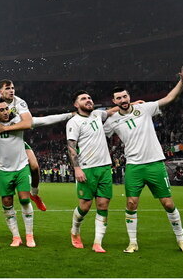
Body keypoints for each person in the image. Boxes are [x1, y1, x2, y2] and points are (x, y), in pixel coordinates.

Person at [105, 66, 183, 253]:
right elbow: (97, 126)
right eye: (118, 98)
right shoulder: (111, 121)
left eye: (125, 96)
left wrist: (182, 81)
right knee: (131, 203)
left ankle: (181, 240)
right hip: (134, 167)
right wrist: (111, 111)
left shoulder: (144, 109)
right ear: (114, 101)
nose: (123, 100)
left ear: (129, 96)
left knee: (168, 203)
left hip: (154, 163)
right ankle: (133, 242)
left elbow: (168, 98)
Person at [0, 99, 72, 248]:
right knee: (7, 202)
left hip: (21, 167)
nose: (6, 112)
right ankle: (16, 236)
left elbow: (45, 120)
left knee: (25, 200)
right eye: (2, 110)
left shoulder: (19, 119)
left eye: (7, 109)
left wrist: (69, 115)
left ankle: (29, 235)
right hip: (4, 170)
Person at [0, 57, 46, 218]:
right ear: (0, 91)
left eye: (13, 88)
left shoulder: (20, 102)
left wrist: (6, 127)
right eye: (8, 88)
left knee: (35, 167)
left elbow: (28, 122)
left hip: (15, 139)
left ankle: (34, 194)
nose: (12, 90)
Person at [66, 90, 115, 253]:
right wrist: (77, 168)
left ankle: (97, 242)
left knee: (103, 204)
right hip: (86, 168)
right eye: (83, 99)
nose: (88, 100)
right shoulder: (74, 122)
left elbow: (111, 111)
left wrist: (133, 105)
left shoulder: (97, 115)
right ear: (76, 104)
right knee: (85, 206)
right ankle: (75, 231)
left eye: (89, 98)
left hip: (105, 167)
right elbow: (71, 147)